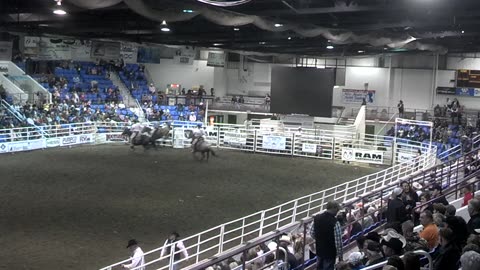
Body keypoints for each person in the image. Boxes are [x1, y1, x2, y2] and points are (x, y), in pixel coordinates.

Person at [312, 201, 343, 270]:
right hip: (330, 253)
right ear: (334, 208)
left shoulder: (316, 218)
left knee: (319, 267)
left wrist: (319, 239)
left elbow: (312, 233)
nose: (338, 211)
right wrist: (340, 257)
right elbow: (338, 242)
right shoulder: (335, 222)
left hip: (319, 250)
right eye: (337, 209)